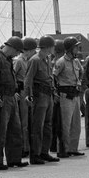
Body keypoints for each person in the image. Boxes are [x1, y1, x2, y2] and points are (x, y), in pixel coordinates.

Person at [0, 37, 27, 169]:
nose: (17, 54)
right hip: (2, 98)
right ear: (11, 47)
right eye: (17, 51)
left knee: (15, 130)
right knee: (0, 130)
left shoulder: (8, 60)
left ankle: (14, 159)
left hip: (11, 96)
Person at [25, 36, 57, 165]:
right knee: (38, 126)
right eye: (52, 46)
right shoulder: (35, 60)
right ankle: (35, 154)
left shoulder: (47, 59)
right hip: (39, 96)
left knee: (48, 125)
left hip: (48, 95)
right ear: (48, 47)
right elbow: (28, 79)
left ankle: (44, 151)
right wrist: (28, 95)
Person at [55, 37, 86, 157]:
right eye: (75, 47)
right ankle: (63, 149)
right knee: (65, 124)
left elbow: (81, 73)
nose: (77, 49)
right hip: (65, 95)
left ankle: (73, 148)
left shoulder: (76, 61)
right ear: (69, 49)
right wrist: (56, 92)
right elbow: (54, 76)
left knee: (76, 124)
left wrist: (79, 82)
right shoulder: (61, 62)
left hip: (75, 94)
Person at [14, 37, 37, 161]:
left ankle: (30, 146)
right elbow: (13, 75)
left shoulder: (32, 60)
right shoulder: (19, 61)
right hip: (22, 91)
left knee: (31, 120)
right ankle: (24, 147)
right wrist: (15, 91)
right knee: (24, 121)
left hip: (31, 91)